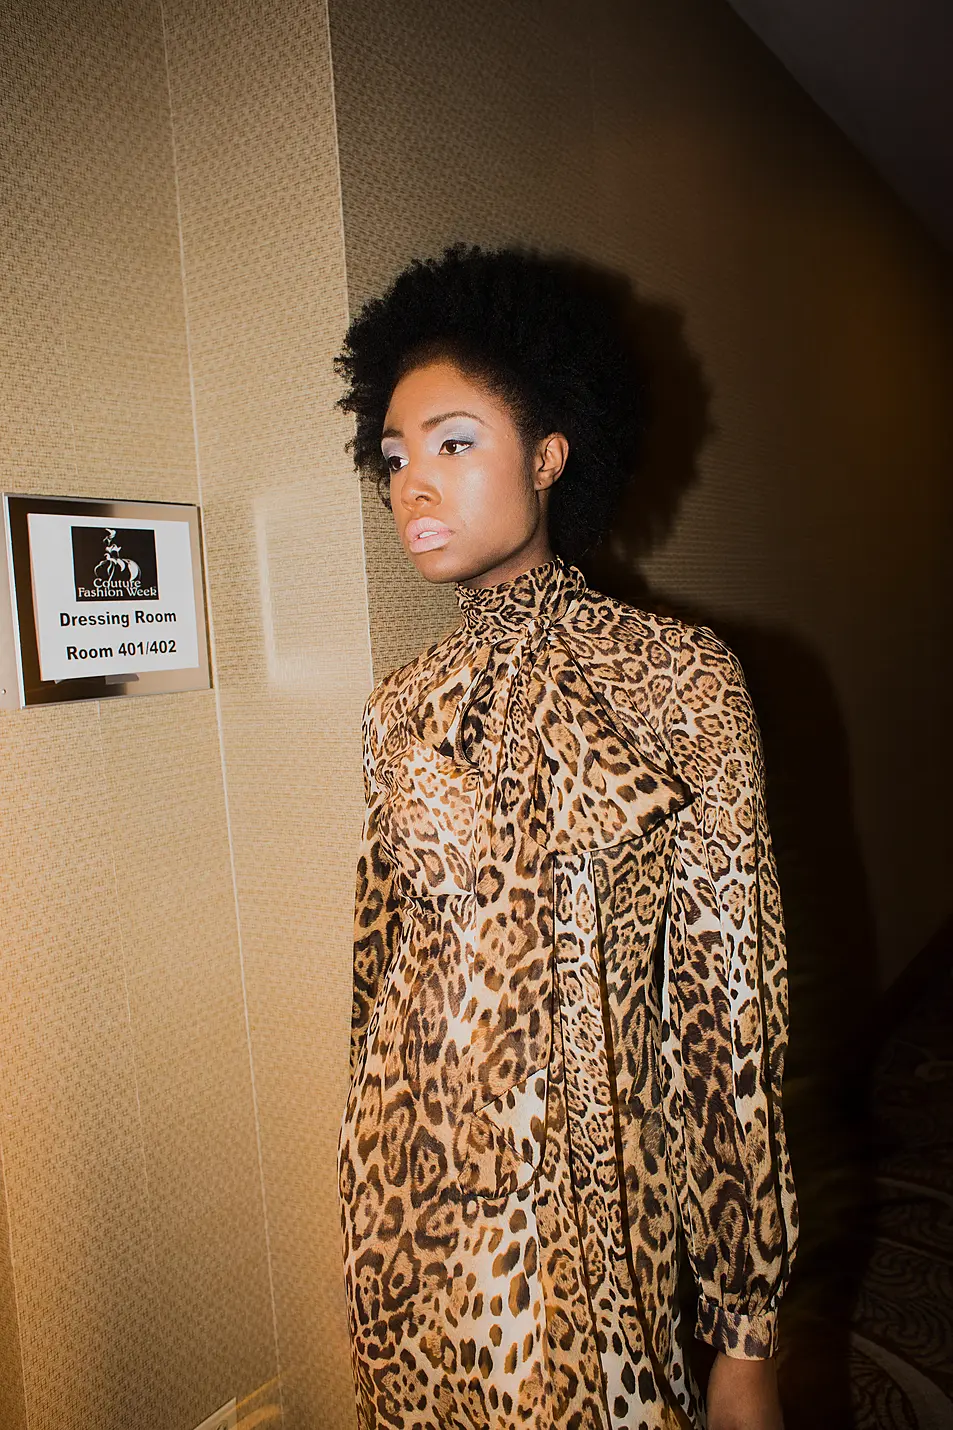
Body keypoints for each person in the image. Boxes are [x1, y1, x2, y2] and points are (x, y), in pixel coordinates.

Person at [334, 244, 798, 1430]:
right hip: (414, 1225)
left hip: (597, 1248)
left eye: (452, 442)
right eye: (393, 457)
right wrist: (371, 1222)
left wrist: (744, 1325)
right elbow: (377, 988)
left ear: (547, 455)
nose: (411, 485)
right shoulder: (401, 705)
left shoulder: (678, 680)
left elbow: (727, 1003)